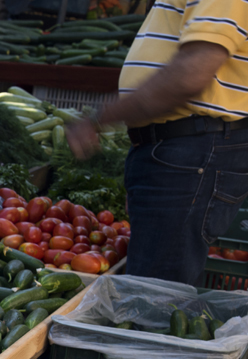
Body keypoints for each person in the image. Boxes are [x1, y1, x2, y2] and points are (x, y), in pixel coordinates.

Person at [66, 1, 248, 286]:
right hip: (183, 148)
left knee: (156, 301)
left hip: (192, 150)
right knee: (156, 288)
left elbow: (191, 73)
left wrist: (100, 119)